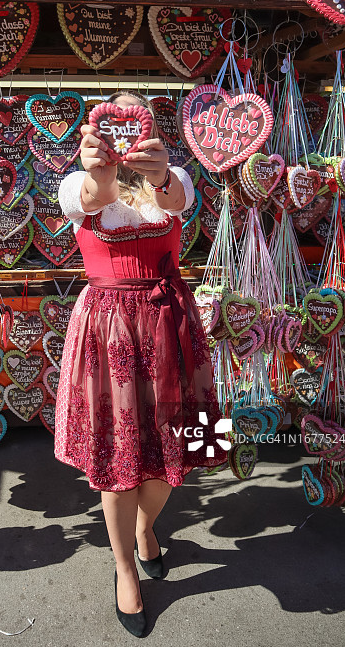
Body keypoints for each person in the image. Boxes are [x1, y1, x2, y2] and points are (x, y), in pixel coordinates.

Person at [55, 91, 226, 637]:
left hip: (169, 326)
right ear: (98, 130)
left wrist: (161, 175)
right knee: (119, 458)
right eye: (114, 125)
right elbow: (92, 196)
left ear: (148, 128)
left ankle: (146, 528)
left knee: (176, 450)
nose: (125, 136)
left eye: (135, 123)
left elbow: (175, 200)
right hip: (108, 333)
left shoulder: (174, 177)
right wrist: (100, 175)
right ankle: (125, 567)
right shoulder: (76, 182)